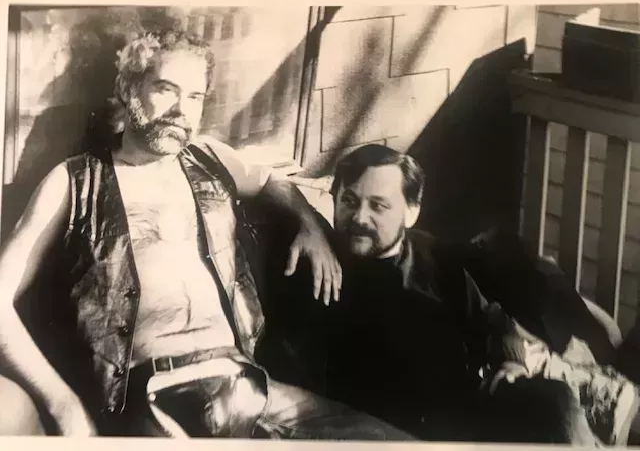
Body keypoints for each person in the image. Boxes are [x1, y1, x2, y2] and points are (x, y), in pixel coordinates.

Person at [0, 29, 412, 440]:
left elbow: (271, 181)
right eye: (166, 89)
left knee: (393, 441)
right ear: (128, 89)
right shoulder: (75, 181)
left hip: (248, 385)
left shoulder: (209, 157)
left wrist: (310, 225)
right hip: (156, 396)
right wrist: (63, 404)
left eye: (195, 97)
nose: (182, 110)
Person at [320, 144, 604, 444]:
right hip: (392, 420)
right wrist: (308, 227)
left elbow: (495, 323)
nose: (360, 218)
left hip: (463, 408)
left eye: (378, 206)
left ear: (411, 212)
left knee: (557, 400)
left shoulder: (434, 256)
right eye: (349, 201)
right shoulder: (322, 260)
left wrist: (513, 362)